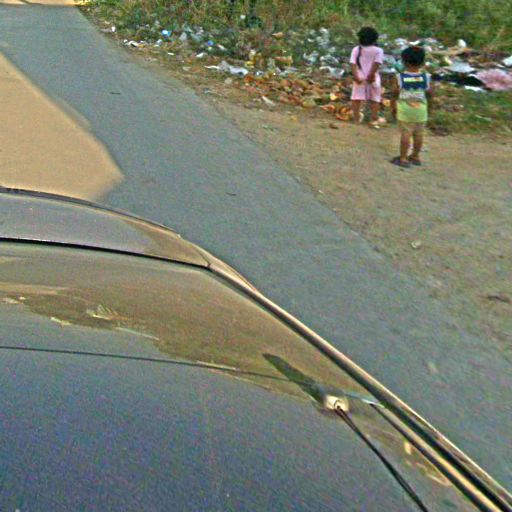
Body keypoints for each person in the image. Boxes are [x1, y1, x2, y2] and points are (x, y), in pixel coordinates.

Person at [390, 46, 434, 168]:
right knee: (419, 134)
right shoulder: (426, 77)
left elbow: (394, 93)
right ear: (423, 62)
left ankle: (403, 158)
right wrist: (430, 108)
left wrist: (393, 107)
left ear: (404, 62)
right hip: (421, 110)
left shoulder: (400, 78)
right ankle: (415, 156)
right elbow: (430, 94)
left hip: (405, 110)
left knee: (406, 133)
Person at [350, 27, 385, 128]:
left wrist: (356, 76)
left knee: (356, 98)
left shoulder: (356, 49)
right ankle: (374, 118)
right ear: (375, 39)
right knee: (375, 98)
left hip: (359, 77)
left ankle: (356, 118)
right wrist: (371, 75)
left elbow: (353, 64)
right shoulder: (378, 50)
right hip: (373, 78)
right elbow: (376, 63)